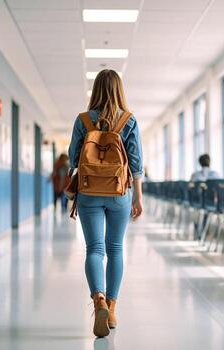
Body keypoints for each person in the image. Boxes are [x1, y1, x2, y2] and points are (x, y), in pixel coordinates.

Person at [68, 69, 143, 337]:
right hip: (119, 192)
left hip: (89, 192)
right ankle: (111, 307)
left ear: (96, 89)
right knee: (115, 248)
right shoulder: (129, 120)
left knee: (94, 249)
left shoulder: (83, 120)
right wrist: (138, 196)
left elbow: (73, 157)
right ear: (119, 90)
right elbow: (135, 163)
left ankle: (98, 299)